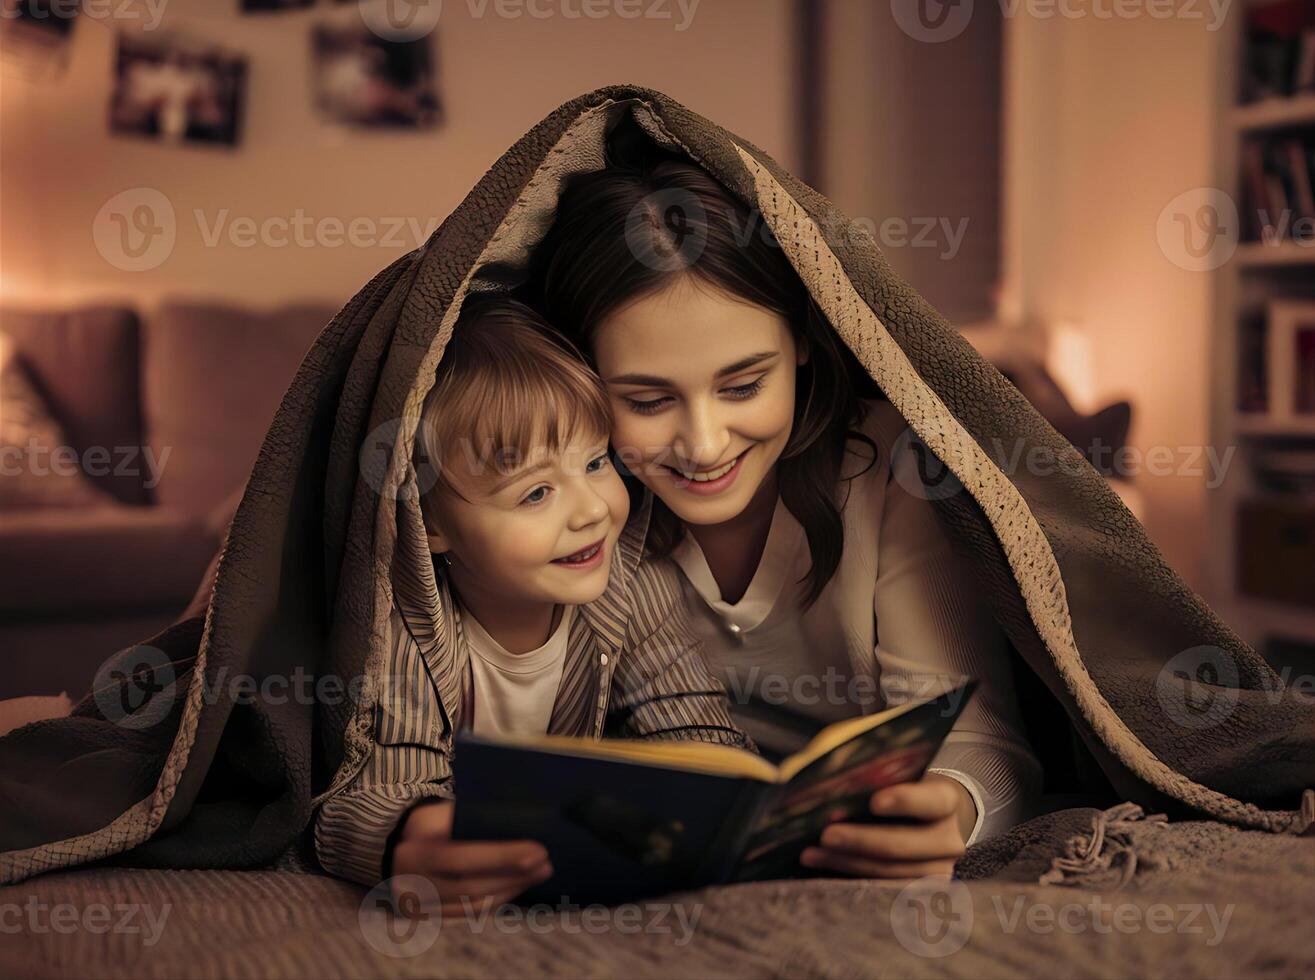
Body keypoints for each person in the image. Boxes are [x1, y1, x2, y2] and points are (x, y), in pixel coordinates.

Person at [526, 125, 1043, 879]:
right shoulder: (567, 507)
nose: (703, 445)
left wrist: (949, 808)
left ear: (803, 341)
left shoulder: (889, 465)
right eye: (645, 398)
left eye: (742, 386)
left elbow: (976, 737)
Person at [313, 297, 750, 914]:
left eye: (597, 462)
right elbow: (382, 785)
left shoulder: (634, 584)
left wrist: (729, 794)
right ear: (427, 524)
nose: (593, 509)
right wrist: (413, 839)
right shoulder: (407, 626)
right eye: (537, 492)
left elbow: (691, 724)